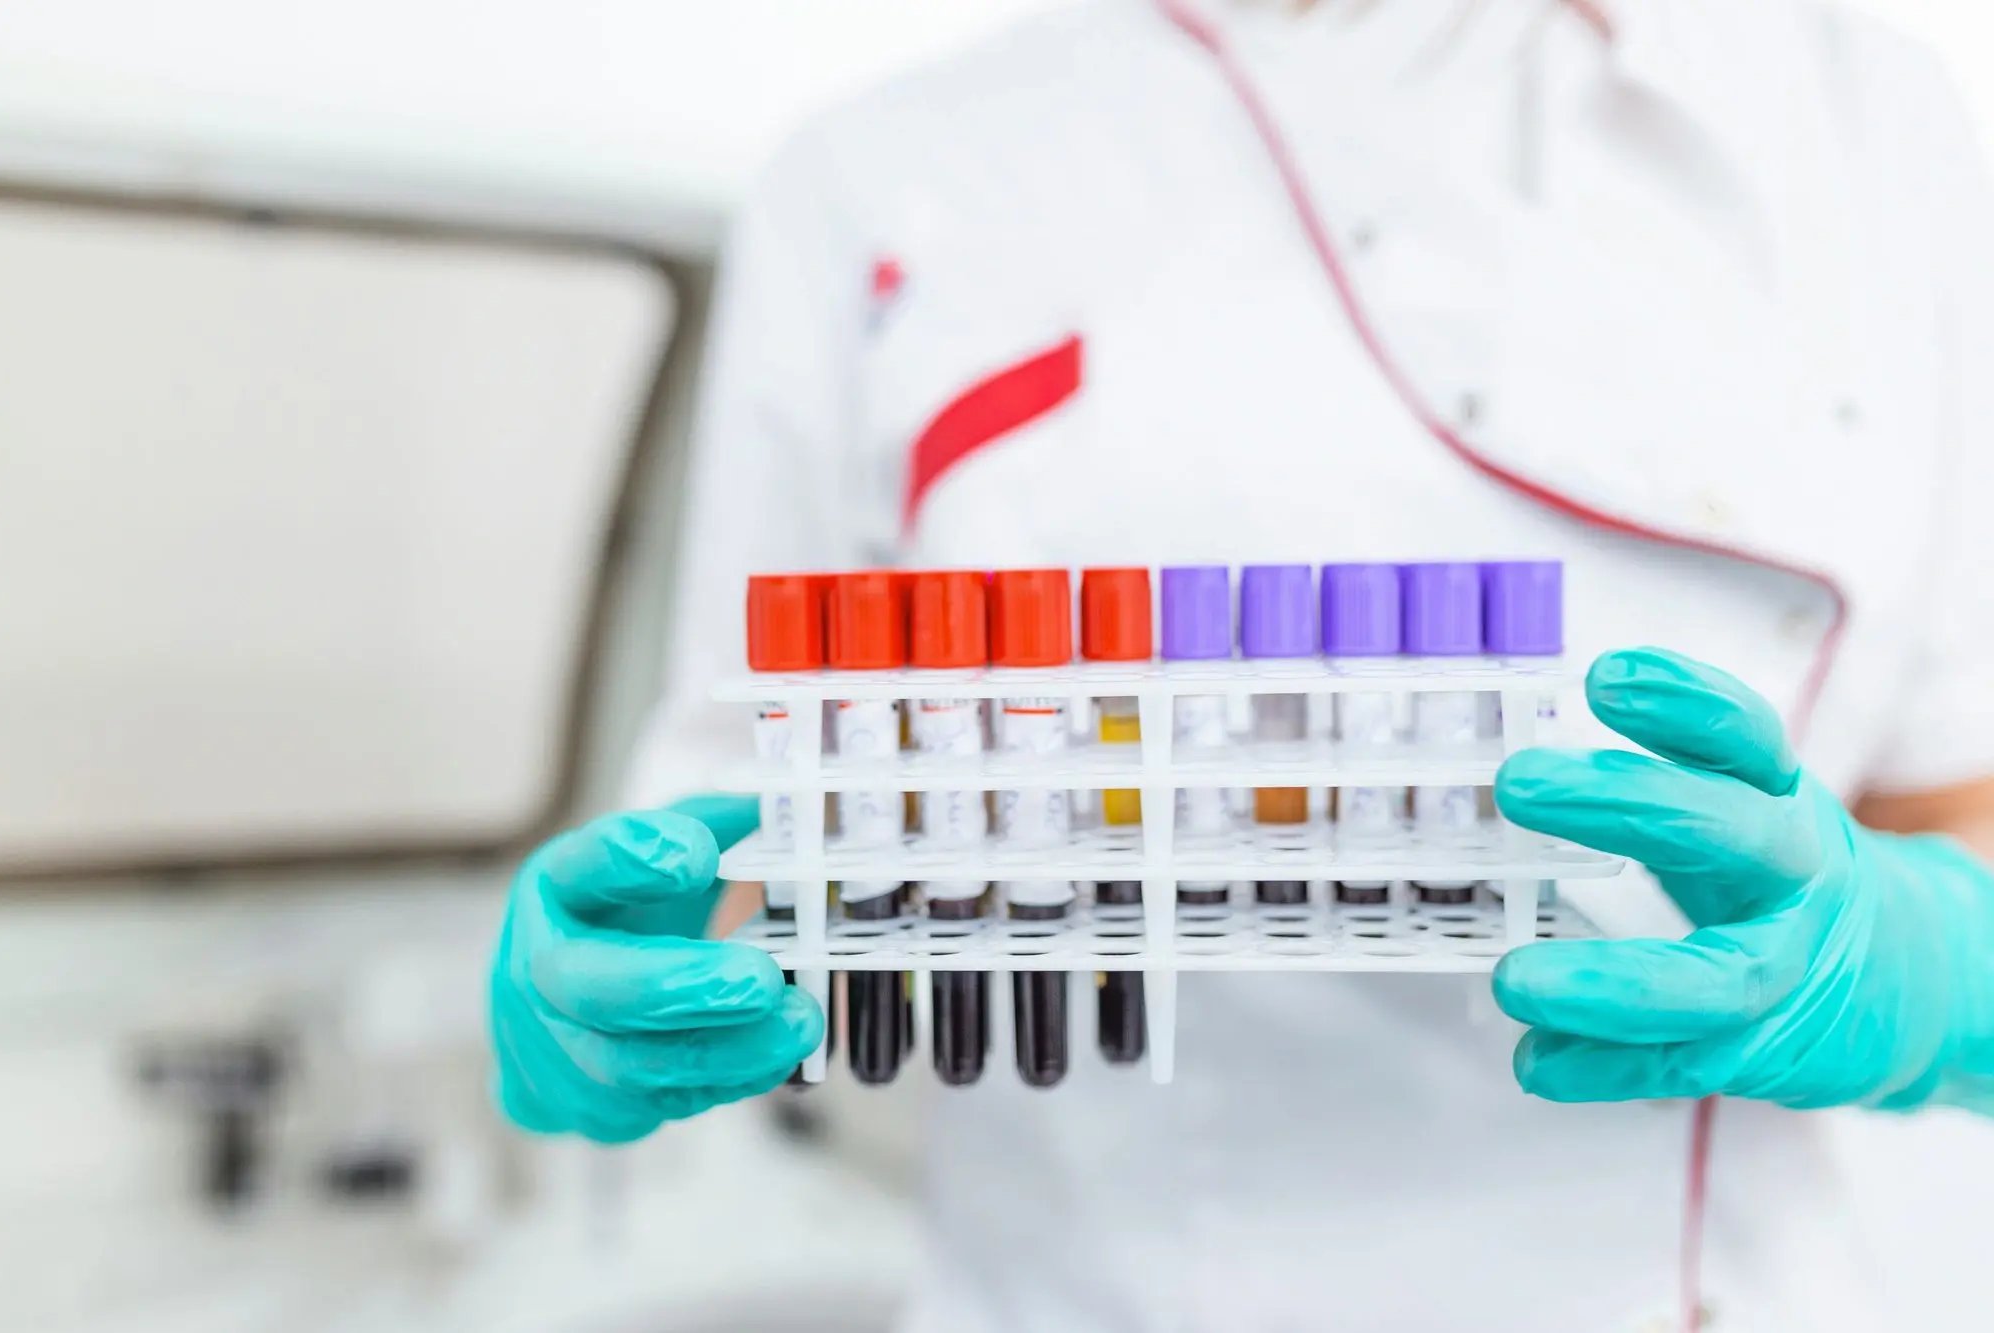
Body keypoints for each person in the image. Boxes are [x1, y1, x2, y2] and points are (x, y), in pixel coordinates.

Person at [487, 2, 1994, 1327]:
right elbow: (760, 829)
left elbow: (1963, 797)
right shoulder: (881, 181)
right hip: (1076, 1295)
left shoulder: (1872, 127)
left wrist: (1933, 965)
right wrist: (637, 984)